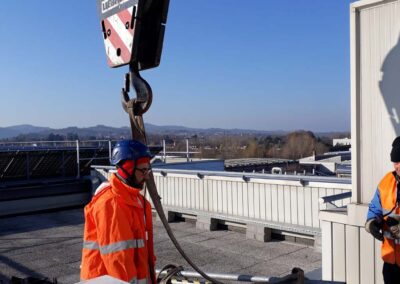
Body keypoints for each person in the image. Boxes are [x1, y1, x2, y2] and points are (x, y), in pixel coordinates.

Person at [80, 140, 156, 284]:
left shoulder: (135, 201)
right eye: (143, 170)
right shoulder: (111, 205)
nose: (146, 176)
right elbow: (118, 263)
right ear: (127, 169)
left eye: (148, 170)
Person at [366, 136, 400, 284]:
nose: (398, 166)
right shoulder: (386, 182)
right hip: (391, 263)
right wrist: (372, 223)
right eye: (396, 161)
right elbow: (375, 209)